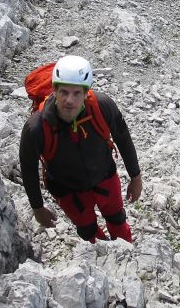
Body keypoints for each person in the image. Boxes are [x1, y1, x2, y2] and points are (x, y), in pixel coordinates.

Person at [18, 55, 143, 243]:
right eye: (64, 92)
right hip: (67, 190)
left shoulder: (102, 106)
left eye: (76, 93)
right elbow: (28, 168)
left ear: (86, 93)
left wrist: (136, 177)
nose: (69, 100)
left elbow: (123, 138)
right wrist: (37, 207)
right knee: (87, 231)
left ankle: (127, 252)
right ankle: (101, 257)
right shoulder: (36, 128)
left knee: (117, 218)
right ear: (54, 91)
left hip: (105, 176)